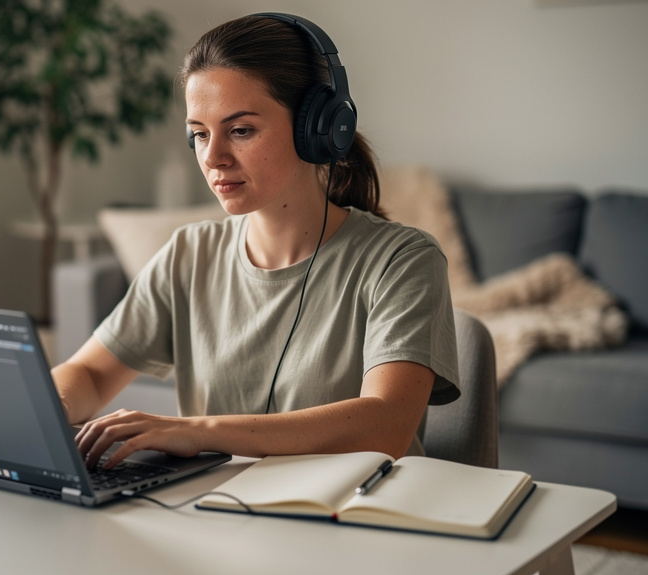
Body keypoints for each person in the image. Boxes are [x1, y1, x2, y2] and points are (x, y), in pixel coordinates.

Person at [52, 14, 460, 470]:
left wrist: (194, 431)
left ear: (318, 129)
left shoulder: (402, 261)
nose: (213, 158)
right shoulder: (189, 254)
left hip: (351, 518)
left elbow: (385, 425)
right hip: (216, 514)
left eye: (240, 130)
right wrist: (41, 410)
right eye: (200, 134)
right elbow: (88, 373)